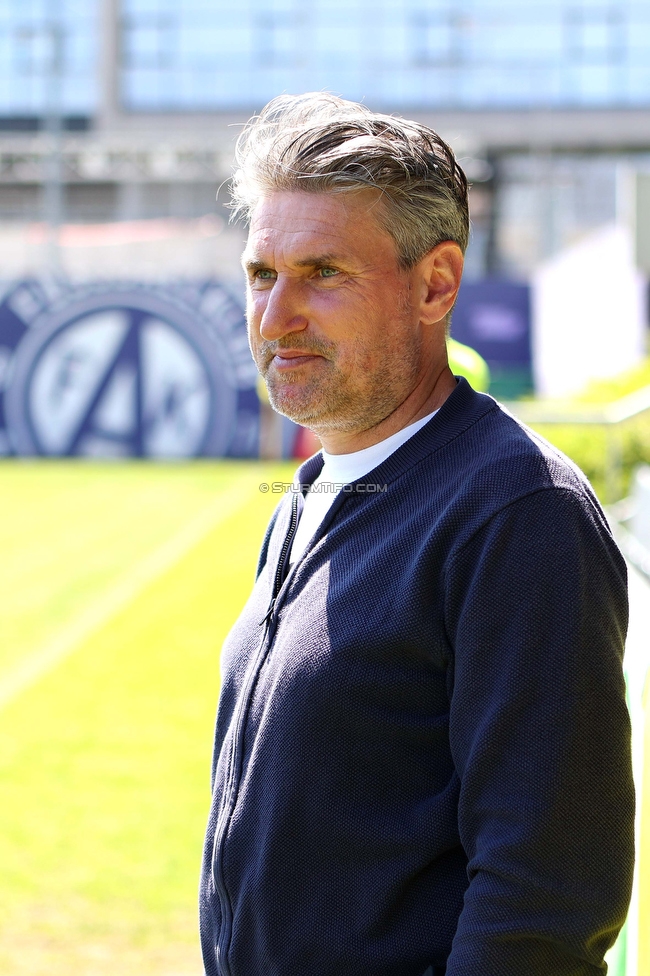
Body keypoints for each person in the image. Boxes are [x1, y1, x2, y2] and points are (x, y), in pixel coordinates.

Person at [199, 93, 634, 976]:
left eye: (324, 272)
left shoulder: (518, 513)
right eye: (260, 274)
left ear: (436, 283)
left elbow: (543, 899)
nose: (276, 316)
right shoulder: (310, 491)